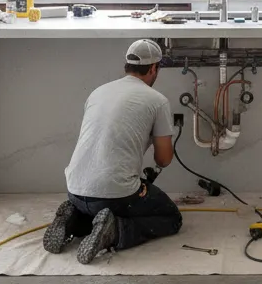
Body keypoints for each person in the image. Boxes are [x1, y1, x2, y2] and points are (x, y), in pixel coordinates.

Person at [44, 38, 182, 264]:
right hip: (117, 195)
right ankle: (115, 231)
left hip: (75, 189)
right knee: (170, 217)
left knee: (99, 204)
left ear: (126, 65)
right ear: (154, 68)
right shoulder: (157, 101)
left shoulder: (98, 93)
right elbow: (164, 159)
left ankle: (74, 220)